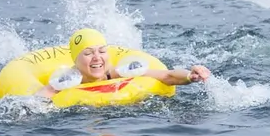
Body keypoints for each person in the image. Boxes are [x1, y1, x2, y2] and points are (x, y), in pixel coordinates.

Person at [39, 28, 210, 99]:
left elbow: (166, 75)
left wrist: (190, 76)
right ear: (75, 60)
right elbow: (37, 100)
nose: (97, 57)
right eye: (88, 53)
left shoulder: (115, 72)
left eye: (102, 51)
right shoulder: (66, 80)